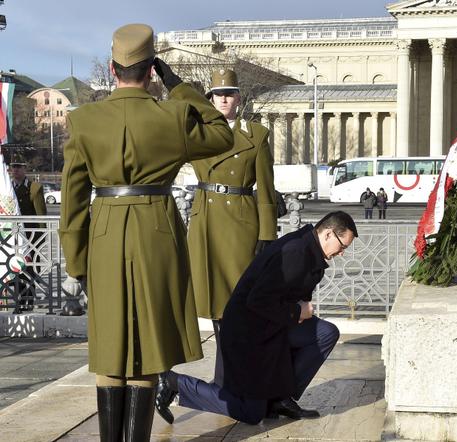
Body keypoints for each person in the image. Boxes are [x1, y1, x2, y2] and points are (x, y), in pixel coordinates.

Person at [58, 23, 234, 441]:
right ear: (151, 69)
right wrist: (179, 86)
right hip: (156, 230)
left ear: (114, 68)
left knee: (110, 347)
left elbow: (72, 199)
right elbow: (222, 132)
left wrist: (77, 259)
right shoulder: (172, 115)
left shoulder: (83, 120)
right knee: (148, 347)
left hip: (103, 234)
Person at [155, 211, 357, 425]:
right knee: (250, 413)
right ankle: (174, 382)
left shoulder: (310, 252)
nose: (342, 253)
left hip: (272, 327)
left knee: (326, 333)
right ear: (327, 234)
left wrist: (297, 311)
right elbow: (258, 301)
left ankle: (279, 398)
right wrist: (298, 312)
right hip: (248, 335)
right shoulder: (296, 252)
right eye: (342, 246)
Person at [187, 69, 277, 385]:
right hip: (206, 225)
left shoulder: (256, 135)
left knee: (239, 304)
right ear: (209, 100)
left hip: (239, 224)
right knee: (214, 304)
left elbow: (266, 188)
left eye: (230, 93)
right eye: (217, 94)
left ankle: (239, 374)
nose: (224, 98)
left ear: (239, 98)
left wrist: (267, 234)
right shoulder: (195, 133)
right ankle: (226, 375)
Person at [10, 161, 47, 309]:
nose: (16, 170)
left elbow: (41, 216)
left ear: (25, 169)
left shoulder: (34, 188)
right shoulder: (8, 188)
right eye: (14, 167)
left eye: (19, 167)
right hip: (13, 237)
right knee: (15, 268)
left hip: (30, 237)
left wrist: (39, 240)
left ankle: (29, 300)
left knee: (29, 270)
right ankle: (19, 300)